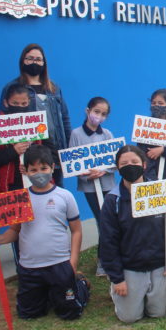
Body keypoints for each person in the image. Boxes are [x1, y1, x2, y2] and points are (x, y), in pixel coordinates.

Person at [0, 144, 90, 320]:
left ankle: (81, 284)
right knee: (28, 314)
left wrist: (73, 261)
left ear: (52, 168)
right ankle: (48, 293)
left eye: (43, 168)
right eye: (33, 170)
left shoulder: (64, 196)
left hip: (60, 264)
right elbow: (14, 230)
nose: (39, 173)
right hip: (29, 267)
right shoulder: (21, 198)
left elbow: (76, 230)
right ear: (25, 170)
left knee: (70, 313)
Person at [99, 145, 166, 324]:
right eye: (124, 163)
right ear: (118, 168)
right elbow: (108, 241)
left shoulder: (161, 191)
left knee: (160, 313)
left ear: (144, 165)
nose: (130, 165)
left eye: (134, 162)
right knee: (129, 318)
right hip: (130, 267)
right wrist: (117, 278)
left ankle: (150, 293)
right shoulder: (112, 200)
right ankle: (121, 292)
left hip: (159, 265)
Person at [68, 96, 116, 277]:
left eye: (104, 114)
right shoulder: (76, 134)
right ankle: (103, 263)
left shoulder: (107, 135)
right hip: (89, 187)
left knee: (110, 220)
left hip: (108, 185)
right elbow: (71, 162)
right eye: (97, 112)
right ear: (87, 111)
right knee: (102, 221)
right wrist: (87, 173)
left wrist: (104, 170)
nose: (99, 117)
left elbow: (114, 161)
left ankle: (111, 257)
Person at [0, 43, 72, 157]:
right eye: (30, 59)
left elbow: (65, 119)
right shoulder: (12, 87)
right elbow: (4, 121)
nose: (34, 62)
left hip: (57, 151)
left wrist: (69, 146)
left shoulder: (54, 88)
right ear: (23, 61)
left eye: (38, 59)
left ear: (44, 63)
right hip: (29, 153)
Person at [0, 83, 58, 194]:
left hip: (38, 181)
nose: (19, 107)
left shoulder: (38, 124)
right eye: (15, 103)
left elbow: (53, 154)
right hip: (9, 185)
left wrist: (33, 164)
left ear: (29, 102)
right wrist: (13, 151)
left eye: (24, 104)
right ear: (6, 103)